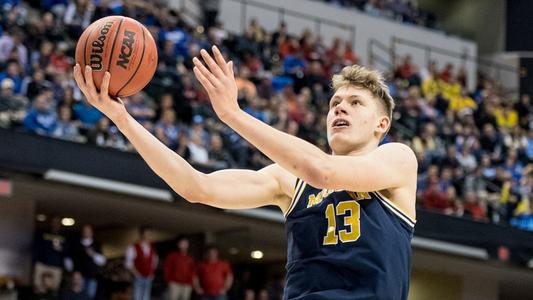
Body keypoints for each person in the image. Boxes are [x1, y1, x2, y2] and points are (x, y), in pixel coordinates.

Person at [73, 44, 417, 299]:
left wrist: (232, 115)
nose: (340, 106)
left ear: (381, 124)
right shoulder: (290, 180)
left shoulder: (398, 160)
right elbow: (196, 187)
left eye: (355, 102)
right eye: (334, 103)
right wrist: (121, 118)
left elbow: (323, 171)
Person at [67, 224, 106, 299]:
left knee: (89, 296)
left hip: (91, 276)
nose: (86, 233)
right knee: (76, 296)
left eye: (88, 231)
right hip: (78, 276)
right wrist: (72, 270)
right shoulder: (76, 244)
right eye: (85, 231)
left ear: (91, 233)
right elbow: (69, 259)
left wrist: (93, 254)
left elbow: (102, 261)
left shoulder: (96, 245)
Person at [124, 227, 158, 300]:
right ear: (142, 235)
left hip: (148, 277)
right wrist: (136, 274)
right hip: (138, 277)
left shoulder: (152, 248)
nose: (148, 237)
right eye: (146, 234)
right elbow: (128, 263)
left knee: (146, 297)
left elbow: (154, 262)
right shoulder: (133, 247)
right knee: (137, 297)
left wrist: (152, 273)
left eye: (150, 235)